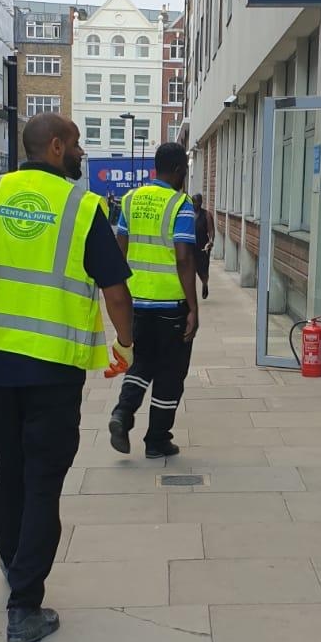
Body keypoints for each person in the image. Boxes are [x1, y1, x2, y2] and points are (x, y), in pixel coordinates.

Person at [0, 112, 135, 642]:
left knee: (9, 472)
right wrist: (124, 344)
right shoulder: (82, 207)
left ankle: (13, 562)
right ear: (55, 147)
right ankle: (24, 605)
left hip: (0, 367)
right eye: (74, 145)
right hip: (54, 372)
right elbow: (116, 290)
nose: (80, 154)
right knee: (43, 483)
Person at [107, 142, 199, 459]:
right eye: (184, 172)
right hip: (171, 305)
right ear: (177, 171)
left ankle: (122, 413)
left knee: (141, 363)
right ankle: (157, 439)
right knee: (170, 374)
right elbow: (184, 258)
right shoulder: (180, 205)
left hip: (137, 304)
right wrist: (193, 308)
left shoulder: (130, 200)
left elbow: (119, 251)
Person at [192, 192, 214, 299]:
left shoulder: (206, 215)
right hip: (191, 247)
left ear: (201, 203)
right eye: (194, 202)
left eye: (197, 202)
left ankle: (205, 284)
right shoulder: (189, 214)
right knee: (191, 269)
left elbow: (211, 230)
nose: (195, 204)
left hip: (203, 247)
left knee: (203, 270)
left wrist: (210, 242)